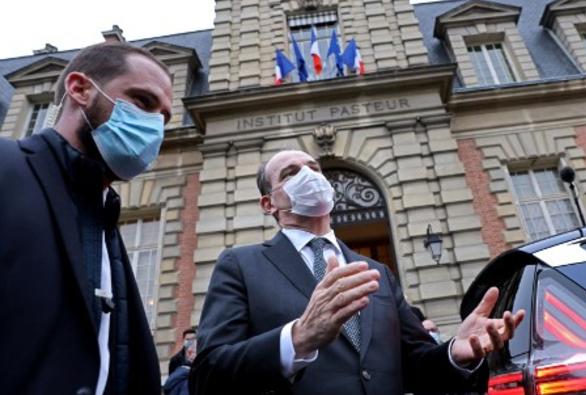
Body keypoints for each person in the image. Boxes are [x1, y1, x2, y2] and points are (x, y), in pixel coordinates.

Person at [190, 150, 525, 395]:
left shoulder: (377, 271)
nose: (309, 176)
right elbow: (207, 376)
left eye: (314, 168)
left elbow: (416, 365)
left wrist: (455, 352)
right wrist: (297, 339)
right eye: (291, 173)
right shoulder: (240, 265)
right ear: (268, 204)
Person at [0, 42, 173, 394]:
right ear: (79, 89)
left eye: (163, 118)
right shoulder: (6, 168)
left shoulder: (104, 217)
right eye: (142, 102)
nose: (154, 126)